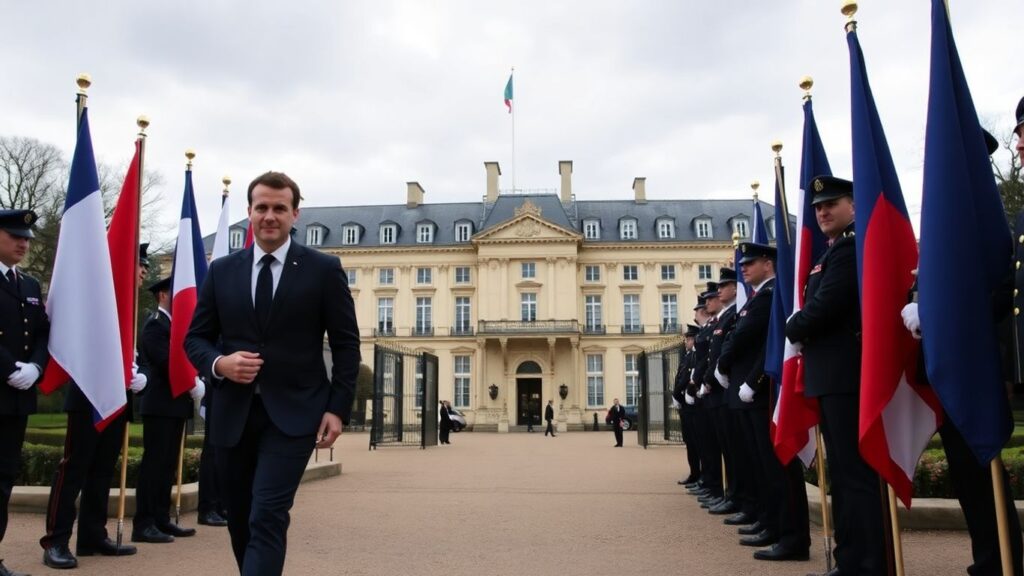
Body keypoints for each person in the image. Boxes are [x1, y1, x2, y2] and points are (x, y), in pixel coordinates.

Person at [185, 171, 360, 576]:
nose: (270, 216)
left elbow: (347, 344)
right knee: (241, 515)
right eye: (261, 207)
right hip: (232, 413)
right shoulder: (222, 269)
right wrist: (219, 364)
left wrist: (338, 408)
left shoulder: (323, 269)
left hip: (295, 414)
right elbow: (196, 338)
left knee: (268, 513)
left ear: (295, 214)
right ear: (249, 213)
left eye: (279, 208)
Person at [900, 125, 1024, 576]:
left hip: (980, 363)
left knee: (983, 470)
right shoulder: (946, 218)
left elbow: (1002, 293)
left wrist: (936, 313)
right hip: (950, 362)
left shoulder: (987, 217)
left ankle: (1003, 561)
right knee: (970, 477)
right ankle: (988, 560)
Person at [786, 175, 886, 576]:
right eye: (817, 207)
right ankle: (851, 558)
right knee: (843, 476)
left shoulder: (848, 250)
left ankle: (867, 561)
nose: (822, 211)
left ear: (854, 206)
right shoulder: (830, 254)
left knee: (855, 476)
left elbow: (824, 308)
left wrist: (794, 326)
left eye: (832, 203)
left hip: (845, 376)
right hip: (830, 377)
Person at [41, 245, 150, 569]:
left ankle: (91, 535)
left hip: (115, 398)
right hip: (88, 396)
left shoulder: (129, 308)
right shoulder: (99, 302)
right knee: (73, 469)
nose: (143, 271)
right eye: (138, 266)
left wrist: (133, 372)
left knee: (102, 470)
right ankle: (56, 541)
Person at [720, 242, 810, 561]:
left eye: (750, 263)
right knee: (763, 466)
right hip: (750, 392)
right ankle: (774, 525)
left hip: (763, 392)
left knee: (777, 467)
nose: (743, 268)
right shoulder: (758, 298)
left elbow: (762, 345)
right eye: (742, 264)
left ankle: (790, 535)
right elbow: (737, 337)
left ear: (769, 265)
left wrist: (751, 381)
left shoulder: (772, 296)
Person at [132, 276, 205, 544]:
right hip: (160, 405)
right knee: (154, 465)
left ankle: (161, 519)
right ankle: (144, 522)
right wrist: (191, 382)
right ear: (163, 296)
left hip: (176, 405)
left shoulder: (177, 327)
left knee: (167, 466)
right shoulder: (155, 326)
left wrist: (196, 378)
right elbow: (165, 362)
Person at [0, 209, 48, 576]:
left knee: (3, 482)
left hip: (17, 400)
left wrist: (35, 366)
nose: (24, 243)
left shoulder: (29, 285)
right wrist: (10, 368)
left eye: (27, 237)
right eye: (15, 235)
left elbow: (44, 333)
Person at [673, 324, 700, 485]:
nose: (686, 342)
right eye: (686, 339)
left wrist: (678, 393)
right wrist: (676, 395)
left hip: (692, 402)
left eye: (689, 339)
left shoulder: (694, 356)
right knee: (690, 442)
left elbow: (686, 380)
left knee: (697, 442)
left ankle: (699, 475)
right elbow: (680, 378)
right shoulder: (687, 356)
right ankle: (694, 473)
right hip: (685, 403)